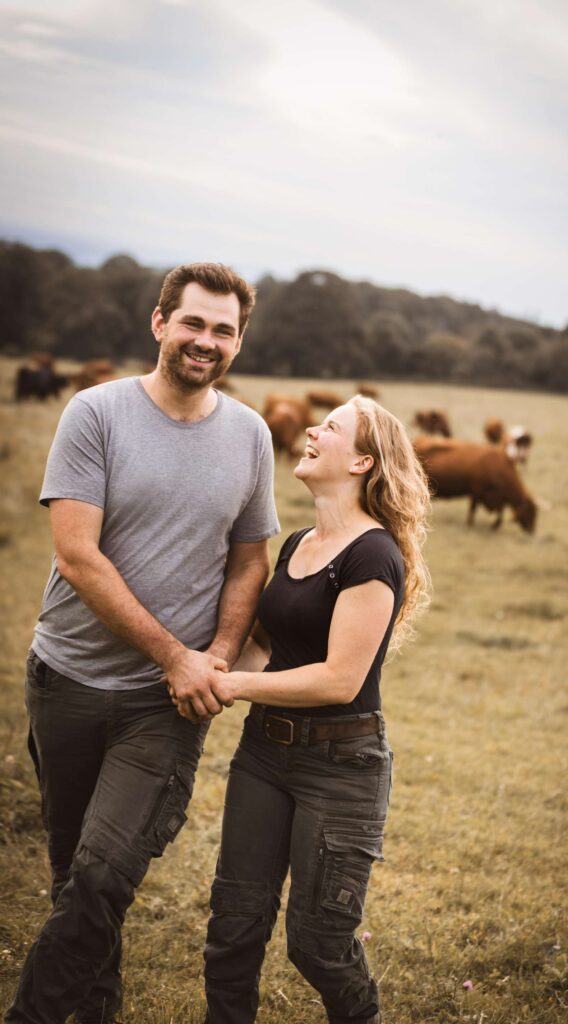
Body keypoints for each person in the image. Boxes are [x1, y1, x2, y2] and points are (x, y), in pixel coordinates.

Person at [5, 263, 280, 1024]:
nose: (207, 341)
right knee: (76, 876)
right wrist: (176, 653)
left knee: (101, 873)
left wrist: (216, 656)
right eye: (194, 323)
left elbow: (251, 556)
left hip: (164, 705)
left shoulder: (250, 435)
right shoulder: (94, 414)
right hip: (65, 681)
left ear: (238, 342)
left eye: (224, 330)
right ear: (159, 324)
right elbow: (77, 554)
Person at [183, 395, 431, 1024]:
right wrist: (209, 668)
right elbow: (270, 649)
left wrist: (231, 690)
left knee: (319, 946)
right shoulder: (299, 541)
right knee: (233, 931)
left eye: (332, 428)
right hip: (265, 754)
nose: (313, 431)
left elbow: (338, 680)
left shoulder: (372, 555)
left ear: (362, 462)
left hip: (340, 765)